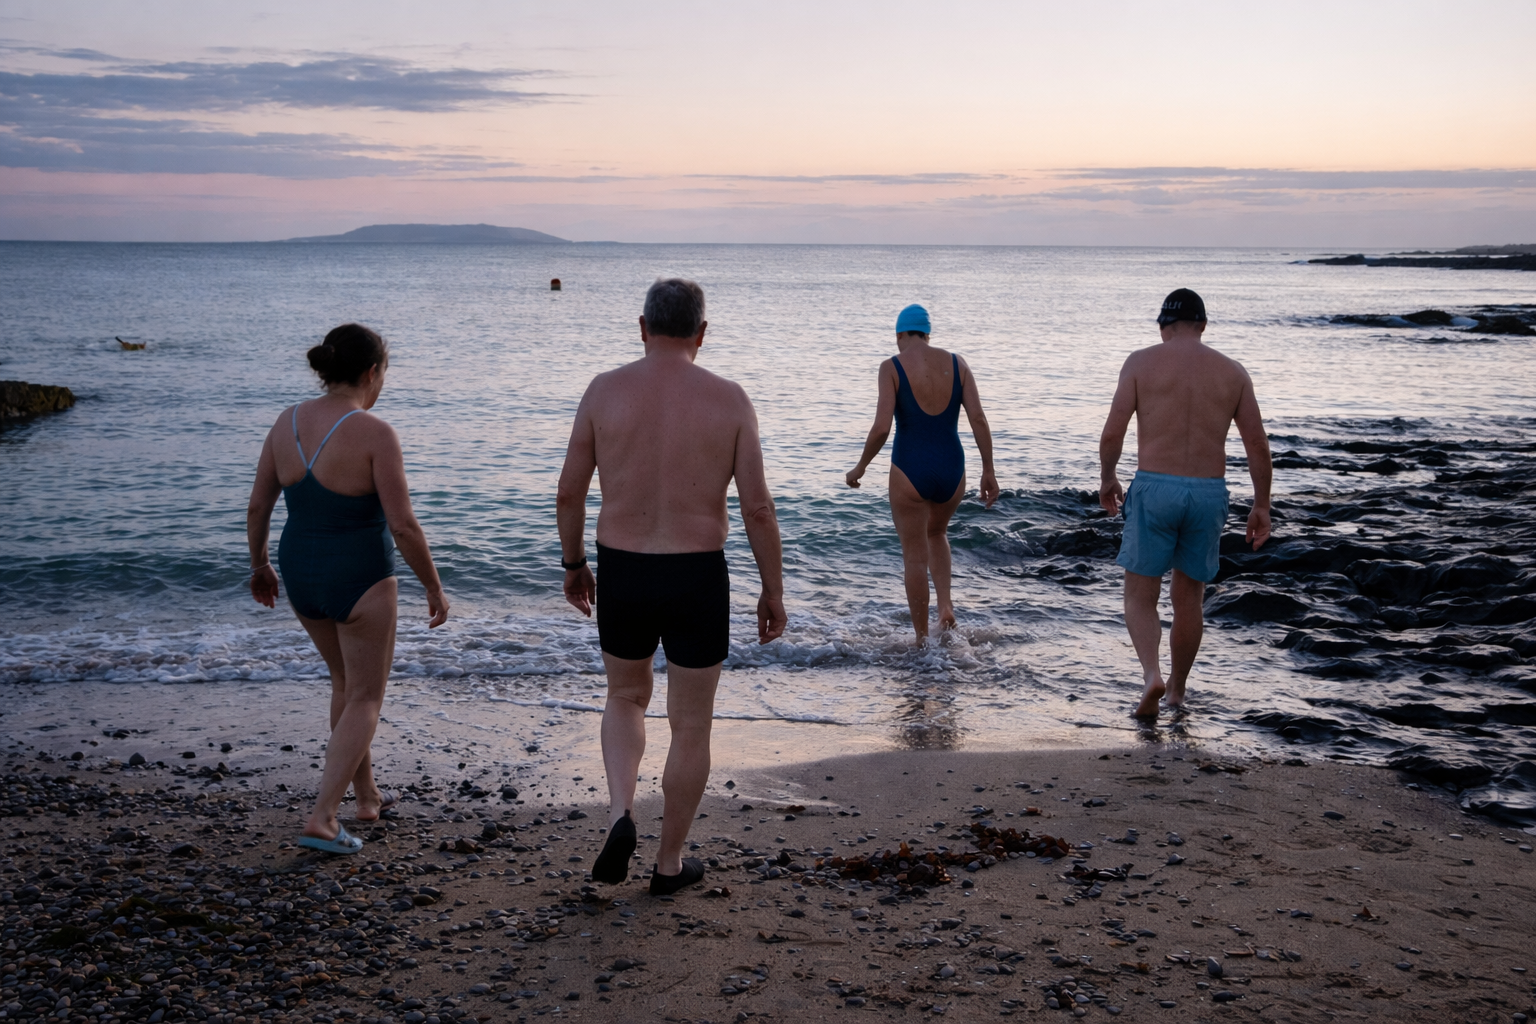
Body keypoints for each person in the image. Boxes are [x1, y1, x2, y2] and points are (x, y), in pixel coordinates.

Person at [557, 278, 786, 895]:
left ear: (642, 327)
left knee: (626, 697)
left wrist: (574, 563)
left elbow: (569, 491)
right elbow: (758, 509)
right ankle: (668, 863)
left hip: (624, 566)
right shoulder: (730, 400)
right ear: (702, 334)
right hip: (696, 573)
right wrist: (773, 590)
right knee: (691, 723)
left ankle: (619, 814)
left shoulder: (604, 391)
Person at [247, 323, 450, 854]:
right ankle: (323, 816)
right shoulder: (375, 432)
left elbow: (257, 507)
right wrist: (433, 585)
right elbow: (403, 525)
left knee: (344, 683)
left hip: (300, 573)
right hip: (360, 576)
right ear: (371, 372)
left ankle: (366, 797)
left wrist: (259, 566)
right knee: (365, 695)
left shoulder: (285, 422)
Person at [1098, 289, 1272, 719]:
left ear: (1163, 327)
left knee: (1140, 595)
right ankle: (1176, 693)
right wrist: (1262, 505)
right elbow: (1256, 444)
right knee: (1188, 599)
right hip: (1208, 492)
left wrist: (1107, 478)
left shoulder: (1140, 363)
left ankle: (1152, 674)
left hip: (1156, 489)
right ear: (1203, 326)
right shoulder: (1233, 373)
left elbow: (1112, 433)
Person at [845, 304, 999, 641]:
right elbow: (979, 419)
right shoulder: (958, 364)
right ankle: (946, 608)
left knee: (914, 558)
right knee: (937, 533)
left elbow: (882, 427)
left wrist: (861, 466)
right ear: (927, 334)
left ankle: (920, 641)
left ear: (900, 334)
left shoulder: (892, 367)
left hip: (910, 467)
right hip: (952, 469)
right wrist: (988, 470)